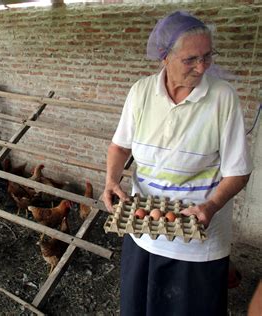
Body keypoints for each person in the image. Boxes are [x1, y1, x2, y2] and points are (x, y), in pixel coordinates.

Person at [101, 11, 253, 316]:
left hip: (196, 240)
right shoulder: (141, 92)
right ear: (163, 57)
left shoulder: (223, 98)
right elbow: (120, 146)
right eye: (190, 59)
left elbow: (239, 173)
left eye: (208, 56)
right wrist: (111, 180)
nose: (202, 67)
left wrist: (210, 207)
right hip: (143, 233)